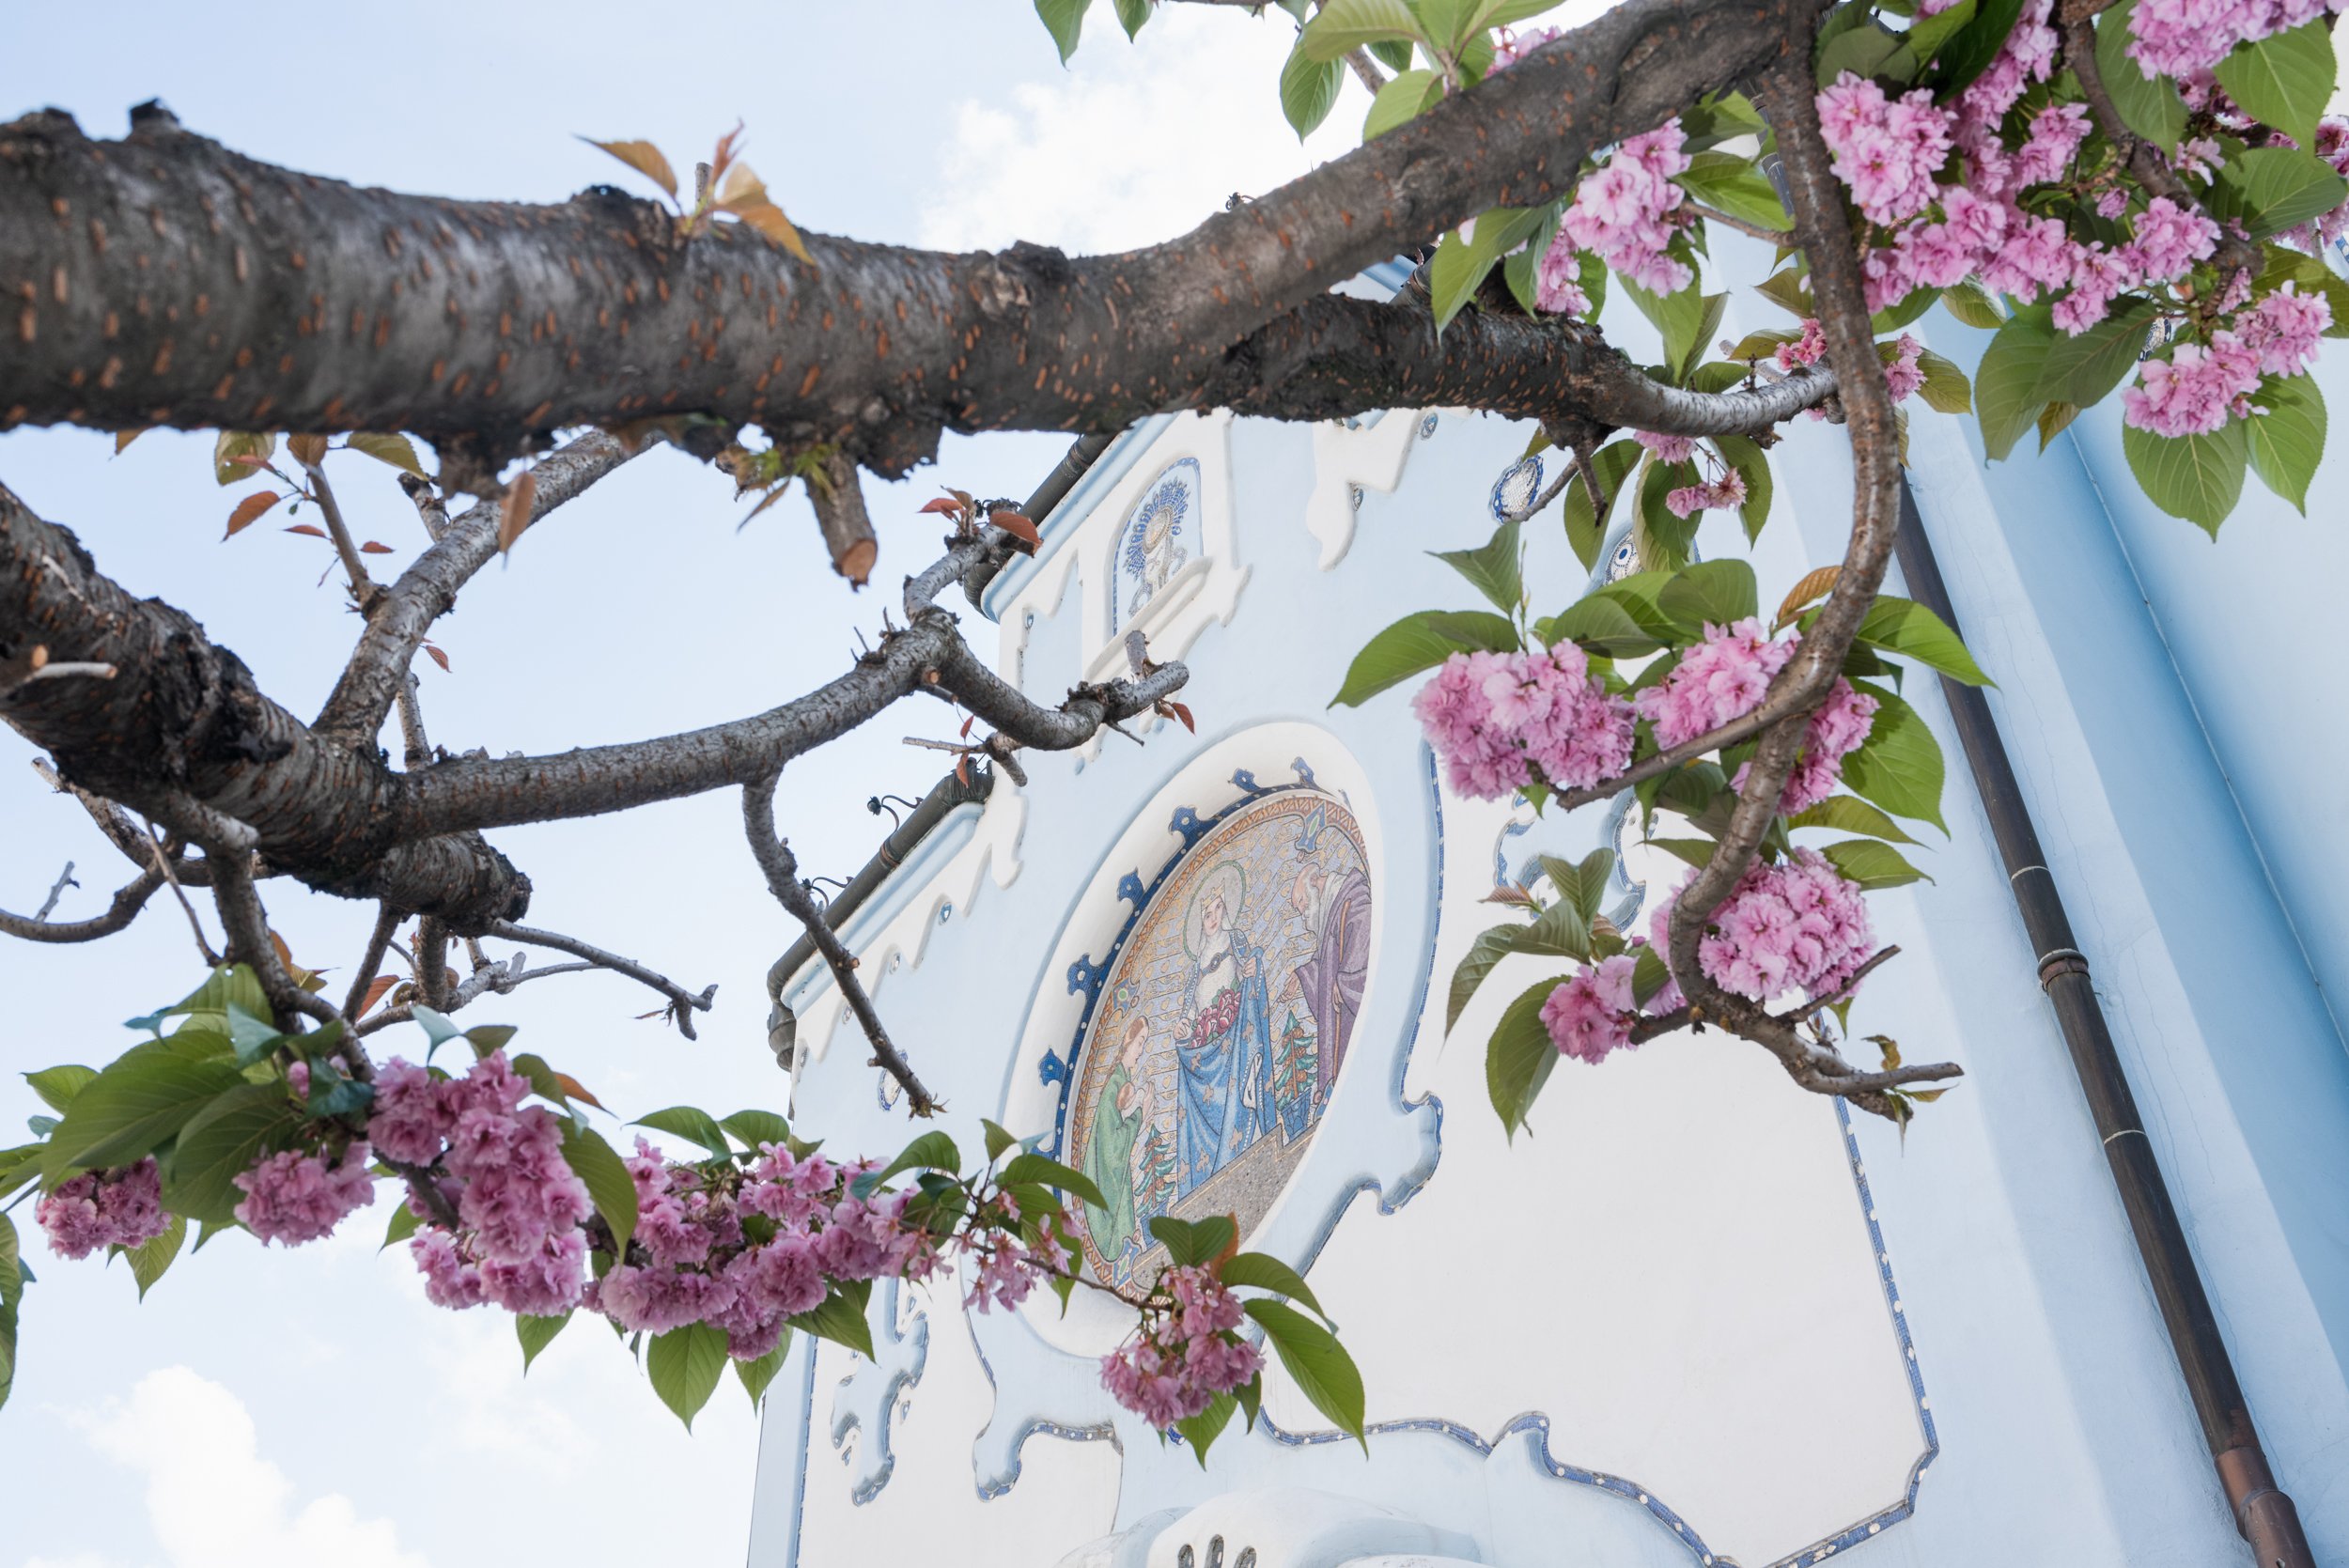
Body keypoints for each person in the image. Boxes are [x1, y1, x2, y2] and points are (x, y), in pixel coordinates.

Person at [1173, 862, 1274, 1196]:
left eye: (1217, 909)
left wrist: (1251, 968)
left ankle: (1250, 1145)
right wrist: (1184, 1027)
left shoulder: (1234, 940)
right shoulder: (1197, 964)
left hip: (1234, 1039)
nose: (1213, 917)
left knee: (1240, 1093)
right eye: (1207, 914)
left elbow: (1252, 964)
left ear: (1225, 910)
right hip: (1207, 1046)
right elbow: (1190, 1008)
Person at [1280, 858, 1372, 1110]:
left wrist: (1345, 980)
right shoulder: (1332, 908)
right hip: (1340, 1003)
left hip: (1350, 998)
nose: (1303, 913)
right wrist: (1301, 976)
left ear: (1314, 884)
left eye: (1301, 903)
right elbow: (1325, 962)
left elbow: (1364, 926)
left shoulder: (1350, 894)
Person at [1081, 1015, 1152, 1263]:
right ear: (1128, 1040)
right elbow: (1111, 1150)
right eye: (1140, 1042)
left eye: (1144, 1043)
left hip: (1119, 1180)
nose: (1141, 1050)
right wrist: (1141, 1113)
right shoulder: (1115, 1086)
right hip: (1108, 1183)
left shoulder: (1124, 1081)